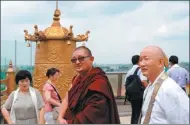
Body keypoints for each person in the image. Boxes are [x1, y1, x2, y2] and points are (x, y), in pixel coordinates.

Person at [58, 46, 120, 124]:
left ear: (91, 59)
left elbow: (93, 113)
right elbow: (67, 98)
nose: (77, 62)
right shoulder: (76, 79)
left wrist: (70, 123)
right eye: (74, 60)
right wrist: (60, 117)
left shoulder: (99, 81)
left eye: (81, 58)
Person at [139, 46, 189, 124]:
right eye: (140, 60)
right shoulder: (150, 87)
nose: (141, 64)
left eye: (146, 59)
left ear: (160, 63)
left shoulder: (169, 89)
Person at [124, 55, 147, 124]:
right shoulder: (140, 69)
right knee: (141, 113)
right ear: (139, 61)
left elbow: (125, 83)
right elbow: (143, 81)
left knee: (134, 113)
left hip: (132, 95)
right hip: (139, 95)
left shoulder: (129, 71)